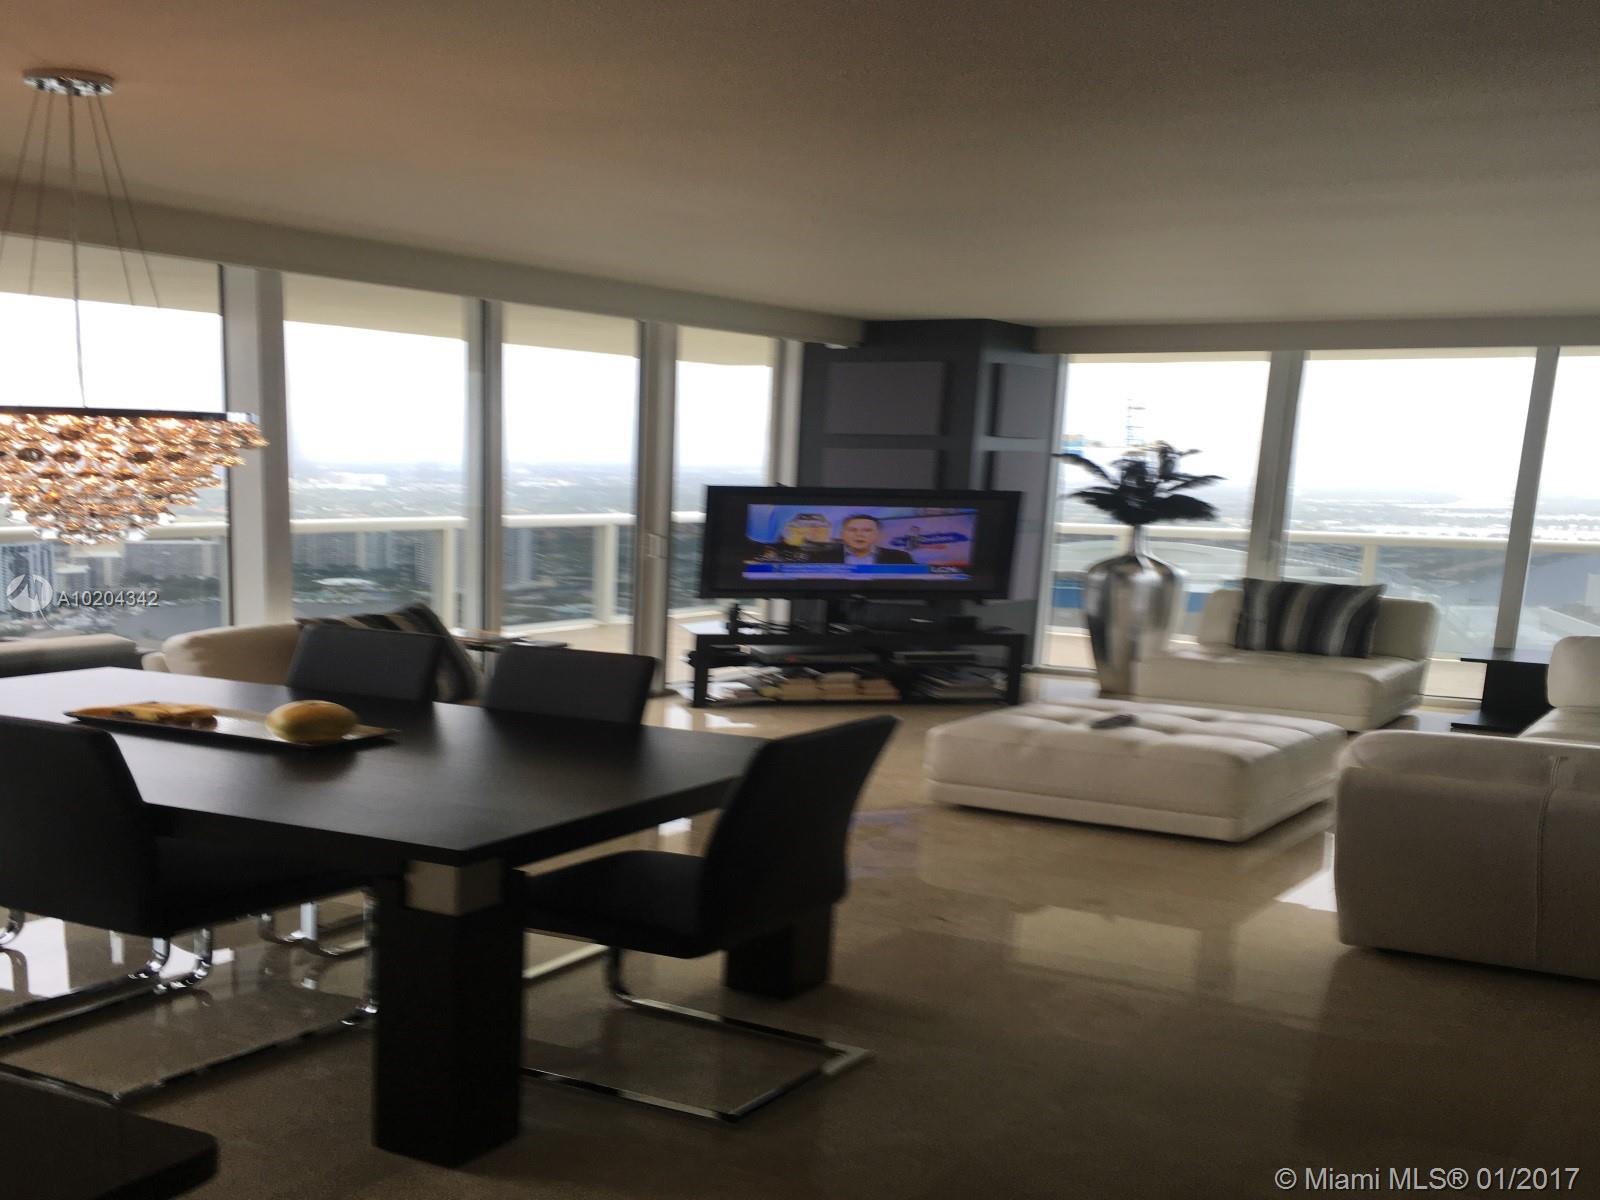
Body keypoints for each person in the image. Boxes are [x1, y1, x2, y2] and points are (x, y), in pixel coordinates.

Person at [810, 514, 916, 565]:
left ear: (877, 535)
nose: (859, 534)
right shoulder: (821, 558)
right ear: (842, 535)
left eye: (867, 530)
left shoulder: (900, 558)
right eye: (852, 530)